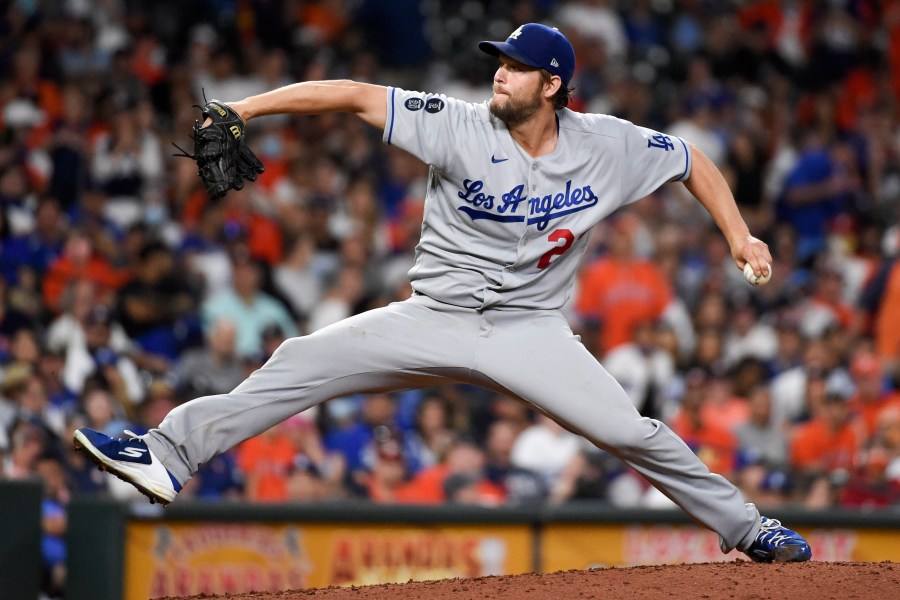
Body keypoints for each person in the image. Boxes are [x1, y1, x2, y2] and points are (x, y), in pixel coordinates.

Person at [73, 23, 810, 563]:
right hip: (435, 317)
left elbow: (690, 161)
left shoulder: (607, 144)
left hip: (531, 330)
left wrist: (739, 236)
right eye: (500, 62)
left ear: (553, 86)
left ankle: (749, 529)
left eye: (518, 68)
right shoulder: (457, 124)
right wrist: (248, 109)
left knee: (630, 432)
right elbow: (354, 95)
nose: (500, 74)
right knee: (298, 360)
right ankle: (167, 455)